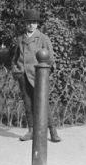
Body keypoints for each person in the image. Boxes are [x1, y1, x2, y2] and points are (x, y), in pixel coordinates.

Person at [11, 9, 61, 143]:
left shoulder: (43, 38)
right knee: (27, 103)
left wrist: (43, 72)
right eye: (28, 22)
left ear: (37, 24)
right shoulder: (20, 39)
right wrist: (16, 69)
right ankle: (31, 130)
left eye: (34, 22)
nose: (31, 25)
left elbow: (50, 58)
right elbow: (15, 58)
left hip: (38, 76)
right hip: (23, 75)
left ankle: (52, 130)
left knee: (43, 103)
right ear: (25, 24)